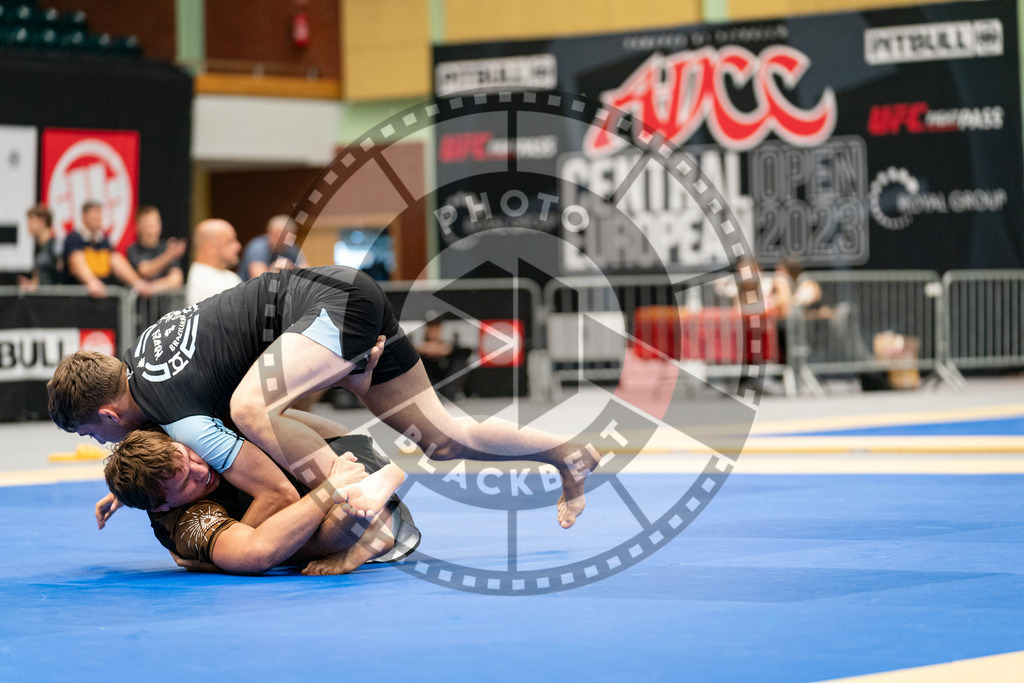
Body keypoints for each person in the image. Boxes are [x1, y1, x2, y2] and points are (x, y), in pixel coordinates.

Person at [48, 265, 600, 530]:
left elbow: (264, 480)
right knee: (441, 438)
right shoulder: (144, 360)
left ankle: (358, 481)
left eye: (91, 433)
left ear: (105, 413)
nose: (101, 442)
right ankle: (566, 455)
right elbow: (161, 430)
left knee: (250, 411)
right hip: (333, 296)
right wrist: (133, 487)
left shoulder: (180, 413)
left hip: (327, 308)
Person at [104, 428, 410, 575]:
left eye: (188, 456)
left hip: (341, 458)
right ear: (160, 506)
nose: (202, 470)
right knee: (273, 543)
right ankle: (367, 521)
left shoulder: (179, 431)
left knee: (259, 418)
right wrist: (330, 489)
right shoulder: (186, 524)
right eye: (186, 482)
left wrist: (210, 564)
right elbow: (256, 553)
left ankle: (369, 515)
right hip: (350, 483)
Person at [64, 200, 151, 299]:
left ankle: (138, 283)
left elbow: (115, 260)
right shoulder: (74, 238)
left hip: (103, 297)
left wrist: (138, 284)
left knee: (115, 257)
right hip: (77, 296)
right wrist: (92, 282)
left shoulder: (104, 240)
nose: (97, 219)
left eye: (99, 215)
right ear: (84, 216)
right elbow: (77, 261)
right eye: (93, 216)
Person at [126, 206, 186, 294]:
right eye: (147, 225)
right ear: (138, 227)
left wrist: (151, 288)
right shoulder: (133, 249)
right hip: (142, 306)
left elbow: (176, 278)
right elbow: (144, 270)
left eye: (154, 224)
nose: (151, 230)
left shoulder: (166, 247)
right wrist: (169, 255)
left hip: (167, 305)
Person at [185, 218, 243, 306]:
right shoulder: (203, 282)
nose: (238, 246)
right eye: (230, 241)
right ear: (210, 247)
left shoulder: (229, 276)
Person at [238, 214, 306, 281]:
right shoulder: (257, 247)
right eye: (280, 236)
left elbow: (305, 274)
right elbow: (259, 280)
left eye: (287, 237)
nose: (284, 241)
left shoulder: (292, 248)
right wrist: (274, 269)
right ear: (269, 233)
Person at [17, 203, 62, 290]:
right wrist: (30, 284)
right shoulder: (40, 249)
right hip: (43, 299)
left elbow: (61, 276)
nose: (28, 225)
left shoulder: (56, 246)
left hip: (56, 300)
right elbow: (40, 278)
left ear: (42, 221)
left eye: (31, 220)